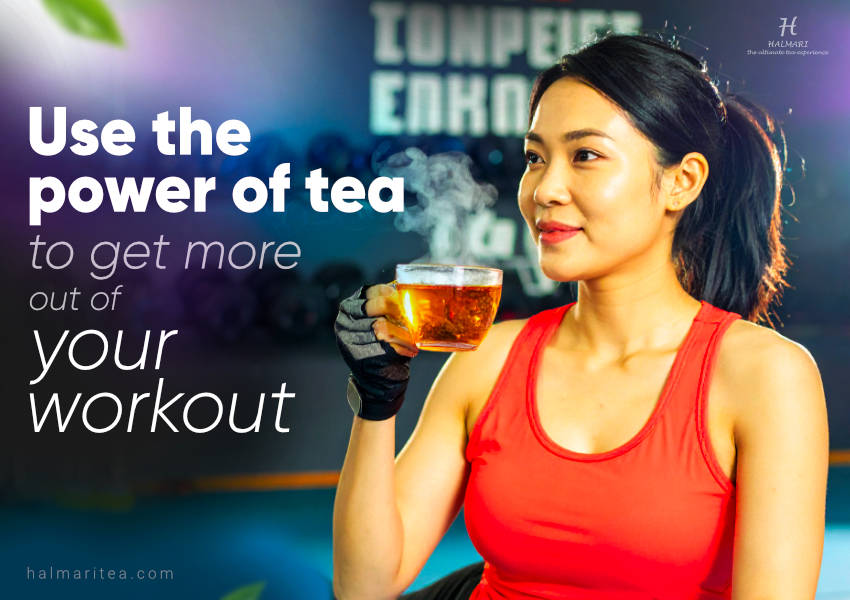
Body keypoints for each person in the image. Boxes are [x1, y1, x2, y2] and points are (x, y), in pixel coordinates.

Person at [332, 33, 829, 600]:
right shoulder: (489, 358)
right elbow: (362, 589)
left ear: (681, 181)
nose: (545, 189)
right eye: (535, 158)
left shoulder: (766, 377)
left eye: (585, 155)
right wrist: (376, 402)